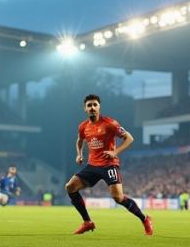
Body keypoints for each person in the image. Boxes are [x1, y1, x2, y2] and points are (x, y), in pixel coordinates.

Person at [64, 94, 153, 236]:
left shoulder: (110, 123)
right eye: (89, 105)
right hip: (92, 165)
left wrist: (115, 151)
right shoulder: (83, 126)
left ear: (99, 107)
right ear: (85, 109)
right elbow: (79, 140)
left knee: (118, 198)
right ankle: (87, 222)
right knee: (70, 187)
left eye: (95, 105)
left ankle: (145, 219)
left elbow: (129, 138)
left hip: (109, 164)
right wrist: (79, 154)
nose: (92, 107)